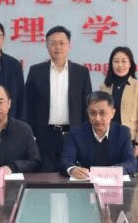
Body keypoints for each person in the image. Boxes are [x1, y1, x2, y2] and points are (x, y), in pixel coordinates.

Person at [25, 25, 92, 172]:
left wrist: (85, 136)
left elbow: (87, 107)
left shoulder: (81, 73)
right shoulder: (36, 71)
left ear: (69, 45)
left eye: (62, 43)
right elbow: (28, 106)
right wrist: (31, 135)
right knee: (45, 178)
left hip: (72, 135)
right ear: (47, 46)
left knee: (71, 176)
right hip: (44, 136)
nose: (58, 47)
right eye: (53, 43)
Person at [61, 91, 137, 178]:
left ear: (112, 113)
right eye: (93, 113)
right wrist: (72, 170)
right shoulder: (76, 132)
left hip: (114, 182)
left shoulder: (123, 132)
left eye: (102, 113)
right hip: (86, 182)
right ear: (88, 113)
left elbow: (131, 162)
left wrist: (113, 171)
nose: (97, 118)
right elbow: (66, 160)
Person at [100, 46, 138, 170]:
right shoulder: (105, 87)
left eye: (124, 61)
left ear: (130, 64)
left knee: (133, 178)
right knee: (110, 176)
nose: (120, 65)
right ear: (111, 64)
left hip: (132, 141)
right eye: (116, 61)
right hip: (108, 141)